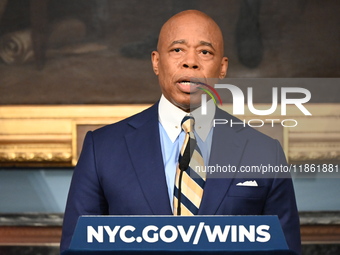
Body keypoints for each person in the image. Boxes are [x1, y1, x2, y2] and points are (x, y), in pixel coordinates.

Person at [60, 10, 301, 254]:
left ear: (222, 68)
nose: (191, 61)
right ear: (156, 61)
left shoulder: (264, 153)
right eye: (177, 50)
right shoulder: (101, 149)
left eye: (205, 52)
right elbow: (78, 249)